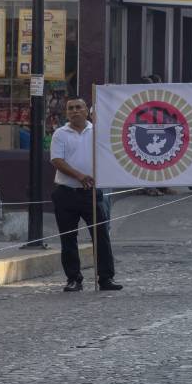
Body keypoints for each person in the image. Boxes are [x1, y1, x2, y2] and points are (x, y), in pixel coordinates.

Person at [50, 98, 121, 292]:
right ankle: (74, 279)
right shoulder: (60, 134)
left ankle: (106, 278)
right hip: (66, 192)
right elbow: (57, 160)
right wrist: (80, 176)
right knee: (68, 238)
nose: (75, 111)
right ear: (66, 113)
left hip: (92, 193)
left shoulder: (98, 132)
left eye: (78, 107)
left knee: (101, 236)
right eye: (70, 108)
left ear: (86, 111)